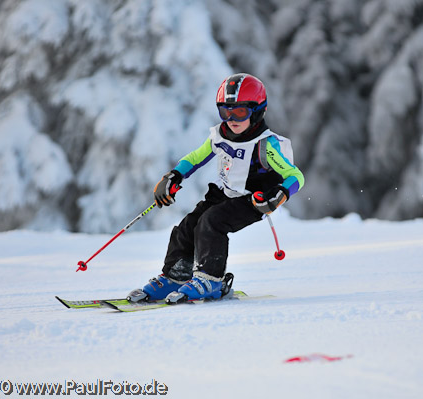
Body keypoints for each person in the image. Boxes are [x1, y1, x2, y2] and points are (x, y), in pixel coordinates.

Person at [129, 73, 304, 303]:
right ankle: (175, 277)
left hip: (253, 201)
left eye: (239, 111)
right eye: (225, 111)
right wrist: (173, 176)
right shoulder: (220, 136)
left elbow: (295, 176)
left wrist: (279, 195)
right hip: (225, 194)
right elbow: (195, 158)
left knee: (212, 222)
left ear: (258, 110)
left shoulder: (266, 145)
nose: (231, 118)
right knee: (188, 225)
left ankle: (211, 280)